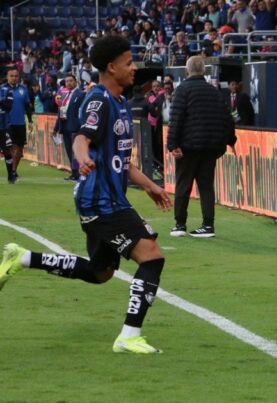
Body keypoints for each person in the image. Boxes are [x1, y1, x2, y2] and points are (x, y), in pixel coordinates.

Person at [0, 35, 172, 354]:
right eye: (128, 62)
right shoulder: (100, 101)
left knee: (101, 273)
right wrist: (82, 158)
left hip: (108, 198)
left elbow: (121, 160)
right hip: (101, 200)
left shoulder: (120, 103)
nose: (134, 68)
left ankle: (21, 257)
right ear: (111, 67)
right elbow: (82, 138)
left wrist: (150, 186)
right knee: (152, 256)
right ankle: (129, 335)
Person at [167, 56, 237, 238]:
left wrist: (172, 144)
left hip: (188, 146)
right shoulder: (214, 91)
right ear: (204, 71)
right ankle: (208, 225)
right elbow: (227, 119)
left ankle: (180, 224)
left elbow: (176, 119)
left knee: (183, 185)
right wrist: (231, 140)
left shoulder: (183, 90)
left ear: (187, 71)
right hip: (211, 147)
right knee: (206, 187)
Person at [1, 67, 33, 184]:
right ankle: (12, 172)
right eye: (11, 76)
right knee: (11, 148)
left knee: (19, 148)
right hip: (6, 123)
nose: (14, 78)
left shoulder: (23, 89)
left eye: (16, 76)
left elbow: (27, 106)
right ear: (7, 77)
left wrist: (30, 120)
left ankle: (13, 170)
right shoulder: (2, 89)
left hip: (20, 122)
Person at [54, 74, 85, 181]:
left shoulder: (81, 94)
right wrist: (56, 127)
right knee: (68, 151)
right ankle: (74, 173)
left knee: (75, 152)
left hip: (76, 127)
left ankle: (78, 173)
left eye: (71, 81)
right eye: (67, 81)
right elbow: (61, 111)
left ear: (76, 81)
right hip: (65, 126)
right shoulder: (64, 95)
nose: (68, 83)